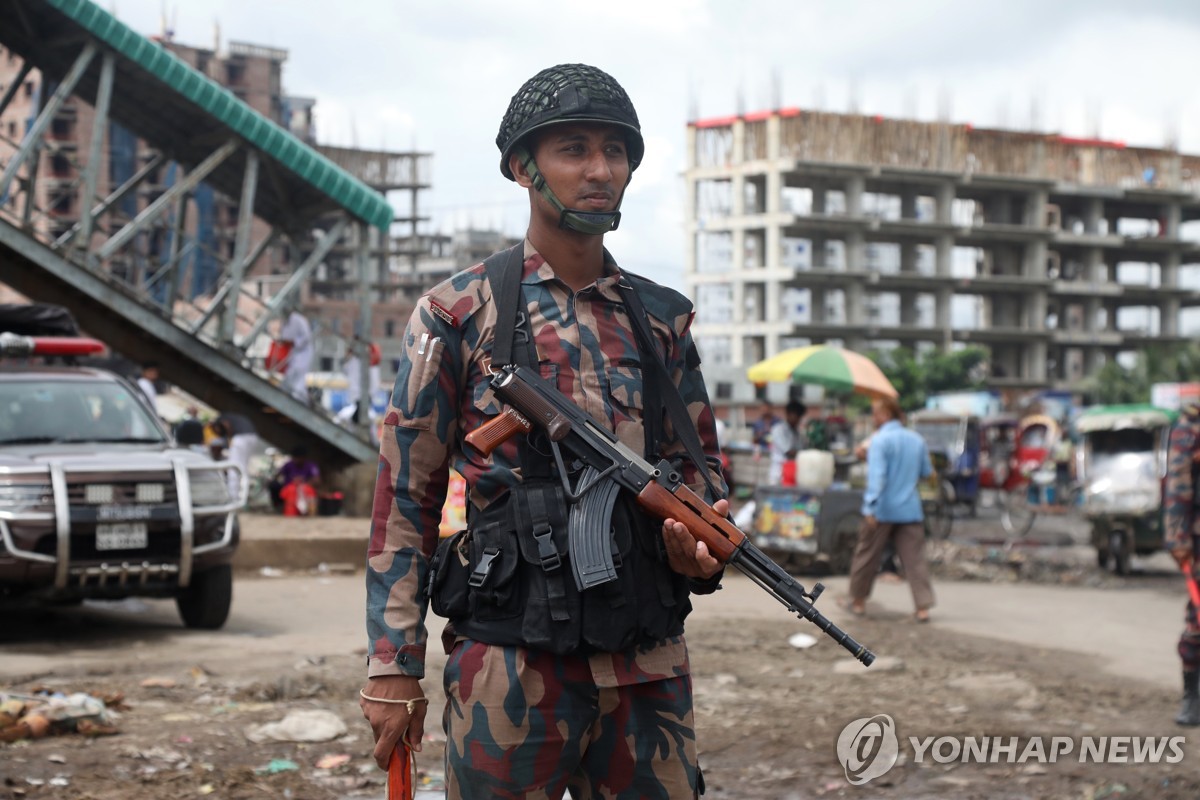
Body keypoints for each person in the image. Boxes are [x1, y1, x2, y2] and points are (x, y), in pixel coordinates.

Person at [359, 63, 728, 799]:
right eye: (574, 149)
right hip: (510, 667)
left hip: (646, 666)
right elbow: (405, 503)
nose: (601, 169)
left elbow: (703, 471)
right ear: (523, 168)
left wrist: (701, 548)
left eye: (616, 151)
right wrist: (393, 664)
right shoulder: (459, 314)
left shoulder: (661, 320)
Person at [846, 396, 935, 622]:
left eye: (875, 413)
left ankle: (857, 602)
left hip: (882, 510)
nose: (873, 418)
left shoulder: (879, 441)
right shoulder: (917, 440)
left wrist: (870, 508)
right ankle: (922, 607)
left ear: (885, 415)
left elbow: (878, 478)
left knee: (867, 555)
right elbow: (926, 472)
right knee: (915, 560)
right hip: (910, 508)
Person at [1163, 401, 1200, 726]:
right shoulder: (1191, 424)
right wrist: (1177, 536)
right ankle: (1192, 696)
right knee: (1199, 617)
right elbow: (1178, 481)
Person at [211, 412, 258, 501]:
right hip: (253, 437)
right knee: (243, 469)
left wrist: (226, 441)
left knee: (233, 468)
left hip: (241, 439)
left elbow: (226, 426)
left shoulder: (221, 419)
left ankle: (232, 498)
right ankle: (243, 498)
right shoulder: (235, 417)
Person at [278, 306, 313, 404]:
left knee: (299, 379)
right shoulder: (285, 321)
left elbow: (306, 336)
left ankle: (301, 400)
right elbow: (285, 336)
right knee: (290, 375)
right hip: (294, 353)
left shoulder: (298, 320)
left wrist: (294, 342)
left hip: (303, 352)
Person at [768, 400, 807, 485]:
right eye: (797, 416)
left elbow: (802, 448)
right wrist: (807, 456)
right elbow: (789, 452)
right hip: (779, 474)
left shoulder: (798, 433)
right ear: (789, 414)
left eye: (800, 417)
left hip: (793, 473)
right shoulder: (778, 430)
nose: (798, 419)